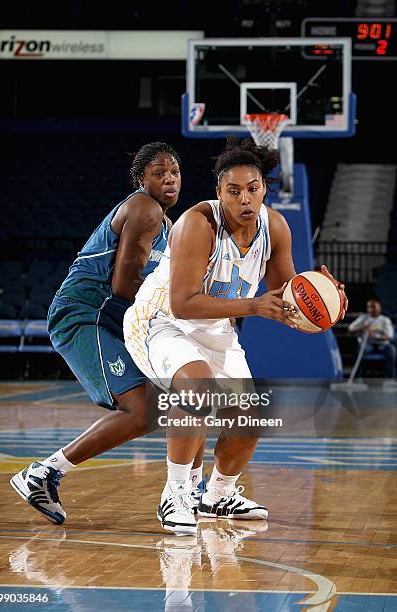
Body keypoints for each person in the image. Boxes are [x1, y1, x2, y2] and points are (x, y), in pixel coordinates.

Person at [124, 137, 347, 535]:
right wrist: (254, 306)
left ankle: (218, 495)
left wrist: (318, 297)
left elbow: (283, 296)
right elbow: (184, 304)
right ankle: (175, 493)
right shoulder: (198, 223)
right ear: (219, 193)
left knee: (249, 419)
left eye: (253, 189)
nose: (245, 199)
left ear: (264, 189)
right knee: (199, 391)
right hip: (160, 321)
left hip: (216, 326)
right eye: (234, 191)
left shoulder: (274, 226)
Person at [10, 142, 204, 524]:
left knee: (177, 399)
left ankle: (192, 491)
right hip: (85, 315)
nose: (169, 180)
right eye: (159, 173)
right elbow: (122, 285)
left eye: (175, 173)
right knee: (142, 409)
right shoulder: (144, 208)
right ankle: (44, 473)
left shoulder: (166, 225)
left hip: (119, 323)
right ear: (140, 180)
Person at [348, 298, 396, 378]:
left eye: (374, 307)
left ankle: (391, 378)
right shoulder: (363, 318)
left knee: (392, 349)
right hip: (367, 344)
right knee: (359, 349)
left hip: (382, 345)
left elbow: (388, 336)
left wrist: (373, 335)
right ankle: (357, 377)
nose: (371, 309)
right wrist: (362, 327)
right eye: (369, 307)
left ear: (379, 308)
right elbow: (350, 329)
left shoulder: (385, 320)